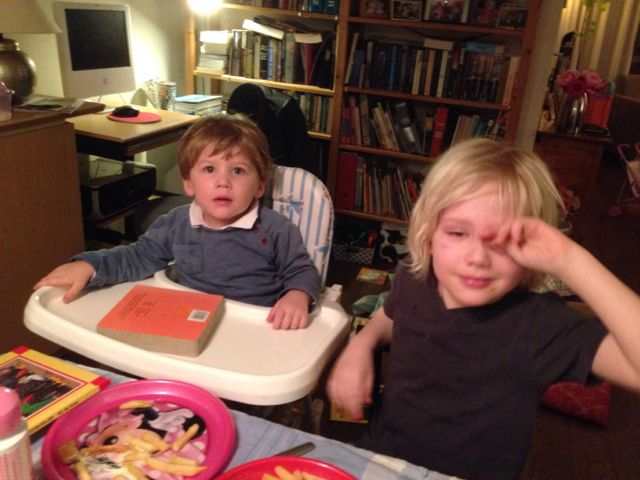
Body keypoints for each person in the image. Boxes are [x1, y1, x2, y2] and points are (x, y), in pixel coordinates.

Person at [327, 138, 640, 479]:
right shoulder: (414, 279)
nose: (477, 258)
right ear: (429, 235)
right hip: (382, 459)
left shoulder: (540, 325)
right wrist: (361, 345)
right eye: (458, 233)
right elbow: (389, 317)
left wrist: (569, 260)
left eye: (502, 242)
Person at [34, 114, 321, 330]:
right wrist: (90, 266)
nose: (222, 182)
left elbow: (301, 270)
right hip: (188, 324)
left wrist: (297, 295)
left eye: (237, 170)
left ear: (259, 185)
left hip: (252, 330)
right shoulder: (176, 224)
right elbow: (137, 256)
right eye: (209, 169)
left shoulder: (275, 229)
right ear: (188, 183)